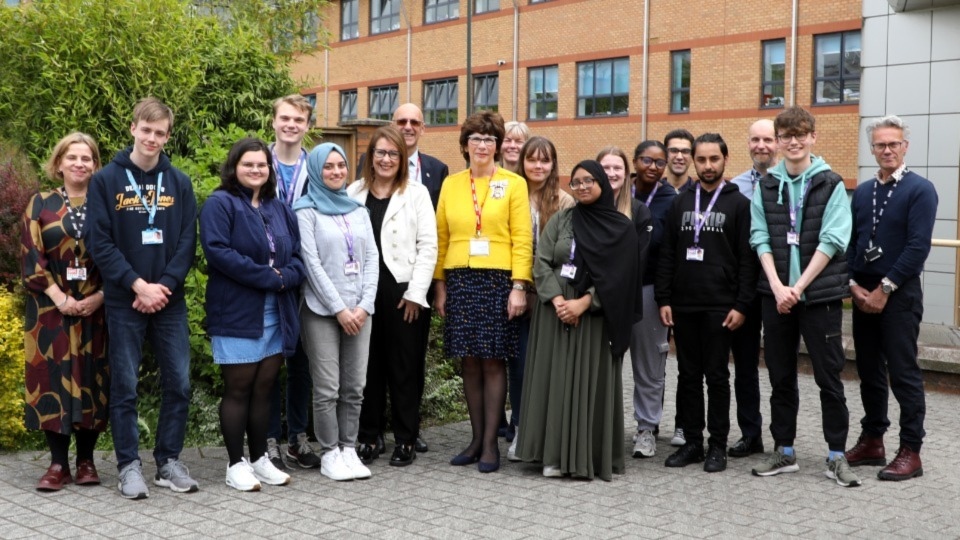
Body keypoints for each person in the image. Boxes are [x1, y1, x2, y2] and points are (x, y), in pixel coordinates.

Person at [87, 97, 199, 499]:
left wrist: (162, 287)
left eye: (160, 132)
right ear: (133, 128)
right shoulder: (106, 181)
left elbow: (188, 241)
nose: (152, 138)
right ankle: (128, 465)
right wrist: (137, 285)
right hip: (124, 300)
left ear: (168, 136)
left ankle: (167, 462)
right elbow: (99, 241)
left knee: (179, 383)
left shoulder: (180, 182)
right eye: (146, 130)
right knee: (125, 386)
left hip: (169, 301)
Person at [749, 106, 860, 487]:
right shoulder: (765, 185)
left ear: (813, 137)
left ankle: (836, 455)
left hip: (819, 297)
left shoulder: (831, 183)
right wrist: (778, 287)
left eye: (801, 134)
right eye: (786, 136)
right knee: (780, 376)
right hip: (775, 296)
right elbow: (759, 237)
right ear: (778, 142)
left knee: (829, 378)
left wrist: (797, 288)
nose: (793, 141)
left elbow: (834, 239)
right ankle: (784, 451)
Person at [515, 160, 641, 480]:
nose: (583, 187)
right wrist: (558, 300)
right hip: (553, 312)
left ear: (602, 183)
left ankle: (584, 456)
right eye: (577, 182)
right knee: (553, 381)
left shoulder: (621, 227)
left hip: (594, 317)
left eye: (589, 181)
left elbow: (621, 277)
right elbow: (541, 261)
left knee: (586, 383)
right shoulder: (562, 219)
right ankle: (551, 454)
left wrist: (585, 303)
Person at [200, 138, 306, 491]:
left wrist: (284, 278)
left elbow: (297, 258)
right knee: (239, 389)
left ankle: (260, 459)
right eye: (249, 164)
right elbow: (218, 253)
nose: (256, 170)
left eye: (262, 165)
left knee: (265, 388)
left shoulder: (279, 208)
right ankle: (235, 464)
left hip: (276, 310)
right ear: (234, 166)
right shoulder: (220, 203)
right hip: (237, 311)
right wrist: (270, 278)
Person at [433, 110, 533, 473]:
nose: (483, 145)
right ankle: (475, 439)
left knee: (493, 361)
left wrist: (519, 286)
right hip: (460, 279)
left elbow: (522, 238)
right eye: (476, 138)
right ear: (464, 145)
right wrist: (440, 284)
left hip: (497, 280)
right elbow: (441, 236)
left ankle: (492, 443)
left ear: (499, 145)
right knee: (469, 362)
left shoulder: (513, 183)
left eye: (490, 139)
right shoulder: (451, 184)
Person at [655, 133, 757, 473]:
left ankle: (718, 446)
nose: (707, 165)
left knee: (716, 377)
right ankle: (693, 444)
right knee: (687, 375)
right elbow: (667, 251)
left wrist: (741, 305)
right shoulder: (681, 201)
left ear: (725, 159)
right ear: (694, 162)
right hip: (683, 304)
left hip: (721, 306)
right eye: (702, 160)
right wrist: (664, 297)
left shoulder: (739, 203)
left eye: (714, 159)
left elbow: (747, 258)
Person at [845, 115, 937, 482]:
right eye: (880, 145)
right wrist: (852, 284)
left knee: (903, 372)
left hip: (898, 294)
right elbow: (854, 242)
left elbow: (918, 247)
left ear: (905, 147)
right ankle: (872, 440)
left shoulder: (921, 189)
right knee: (868, 370)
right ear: (872, 149)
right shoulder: (864, 190)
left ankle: (911, 450)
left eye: (893, 144)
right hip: (862, 291)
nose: (887, 150)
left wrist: (885, 289)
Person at [21, 132, 107, 491]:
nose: (79, 163)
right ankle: (58, 465)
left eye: (86, 158)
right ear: (58, 163)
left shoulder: (105, 205)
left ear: (95, 165)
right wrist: (60, 298)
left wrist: (99, 297)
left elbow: (120, 257)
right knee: (52, 380)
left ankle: (86, 461)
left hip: (94, 310)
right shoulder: (39, 204)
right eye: (72, 157)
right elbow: (30, 257)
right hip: (49, 312)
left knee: (92, 381)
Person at [349, 126, 438, 467]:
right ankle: (369, 437)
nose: (386, 159)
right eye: (380, 153)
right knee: (367, 367)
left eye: (393, 154)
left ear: (402, 159)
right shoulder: (354, 191)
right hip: (363, 292)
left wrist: (417, 293)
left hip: (403, 291)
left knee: (404, 368)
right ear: (370, 157)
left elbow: (428, 246)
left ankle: (406, 439)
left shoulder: (415, 194)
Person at [295, 142, 379, 481]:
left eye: (341, 166)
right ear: (316, 170)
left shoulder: (358, 209)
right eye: (328, 166)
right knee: (327, 388)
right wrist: (340, 309)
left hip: (361, 310)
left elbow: (372, 258)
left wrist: (364, 305)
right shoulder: (305, 211)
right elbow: (310, 264)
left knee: (355, 386)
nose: (335, 172)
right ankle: (329, 452)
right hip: (321, 311)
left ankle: (348, 448)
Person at [504, 136, 574, 462]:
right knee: (519, 366)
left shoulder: (564, 202)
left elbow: (564, 253)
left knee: (546, 365)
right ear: (522, 162)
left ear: (553, 164)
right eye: (532, 160)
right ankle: (519, 428)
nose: (538, 166)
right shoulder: (509, 194)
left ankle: (545, 432)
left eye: (545, 161)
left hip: (549, 294)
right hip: (514, 290)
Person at [266, 94, 321, 471]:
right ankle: (268, 438)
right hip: (265, 278)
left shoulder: (315, 166)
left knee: (302, 363)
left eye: (298, 120)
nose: (291, 125)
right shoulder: (256, 161)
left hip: (305, 276)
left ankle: (298, 437)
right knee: (269, 363)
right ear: (273, 122)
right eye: (285, 118)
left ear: (307, 125)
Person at [727, 119, 778, 458]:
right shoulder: (735, 187)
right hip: (745, 288)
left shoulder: (792, 183)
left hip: (779, 288)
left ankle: (783, 437)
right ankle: (750, 434)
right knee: (744, 366)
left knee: (780, 366)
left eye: (768, 139)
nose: (761, 145)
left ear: (779, 143)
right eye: (755, 139)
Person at [629, 140, 677, 458]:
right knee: (605, 362)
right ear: (635, 162)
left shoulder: (671, 200)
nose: (653, 167)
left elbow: (669, 252)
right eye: (647, 160)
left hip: (648, 291)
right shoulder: (617, 192)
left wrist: (664, 298)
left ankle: (647, 429)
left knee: (650, 366)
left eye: (660, 163)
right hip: (613, 291)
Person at [663, 128, 696, 194]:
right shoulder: (654, 192)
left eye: (685, 151)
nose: (679, 157)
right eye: (674, 150)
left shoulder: (699, 194)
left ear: (692, 156)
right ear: (664, 154)